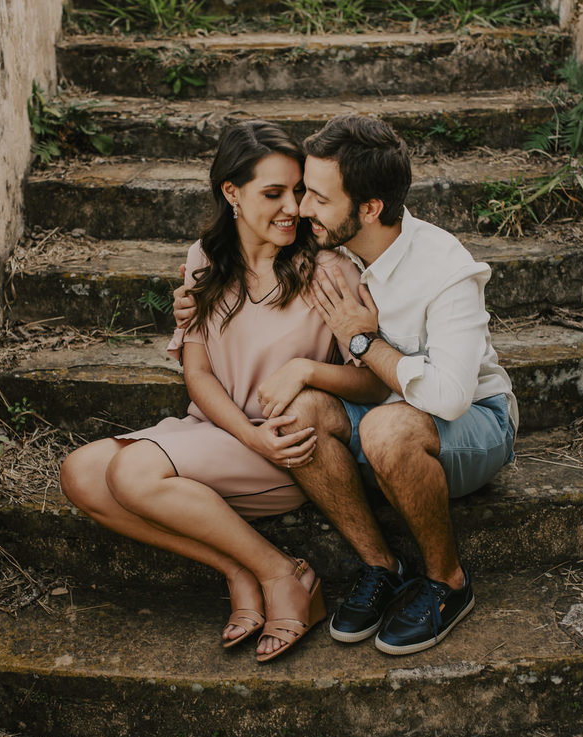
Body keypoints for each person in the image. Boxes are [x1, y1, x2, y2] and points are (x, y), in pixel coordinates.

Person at [174, 114, 518, 656]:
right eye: (302, 192)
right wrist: (199, 301)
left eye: (316, 197)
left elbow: (449, 398)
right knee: (301, 411)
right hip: (384, 413)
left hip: (474, 421)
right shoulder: (340, 247)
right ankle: (382, 566)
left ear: (369, 208)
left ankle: (448, 583)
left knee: (387, 429)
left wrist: (364, 343)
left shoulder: (444, 269)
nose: (301, 208)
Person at [60, 120, 387, 662]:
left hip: (285, 450)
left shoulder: (328, 270)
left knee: (131, 472)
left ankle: (284, 577)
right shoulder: (204, 259)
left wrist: (305, 375)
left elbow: (373, 383)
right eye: (273, 193)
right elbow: (199, 375)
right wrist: (245, 436)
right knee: (81, 474)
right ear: (231, 192)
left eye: (298, 191)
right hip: (220, 434)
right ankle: (244, 567)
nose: (292, 208)